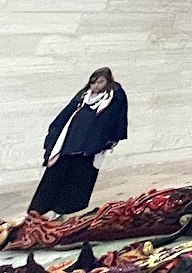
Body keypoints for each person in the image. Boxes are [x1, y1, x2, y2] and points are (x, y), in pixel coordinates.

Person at [29, 67, 129, 218]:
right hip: (68, 143)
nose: (96, 86)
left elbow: (118, 118)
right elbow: (65, 115)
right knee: (54, 175)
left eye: (100, 82)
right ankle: (39, 211)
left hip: (88, 147)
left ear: (108, 82)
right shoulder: (82, 97)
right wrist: (52, 138)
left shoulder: (114, 97)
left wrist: (110, 140)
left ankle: (64, 210)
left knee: (78, 178)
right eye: (93, 82)